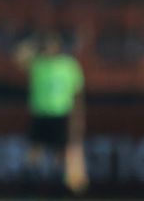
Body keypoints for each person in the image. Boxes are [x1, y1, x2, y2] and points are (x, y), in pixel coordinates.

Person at [14, 29, 87, 195]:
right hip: (40, 114)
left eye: (51, 44)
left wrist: (79, 118)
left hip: (61, 114)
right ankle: (28, 187)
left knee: (59, 153)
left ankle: (58, 188)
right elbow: (18, 57)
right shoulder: (38, 64)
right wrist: (33, 43)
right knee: (34, 151)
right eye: (46, 45)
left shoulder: (69, 65)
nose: (48, 48)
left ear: (58, 46)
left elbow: (77, 94)